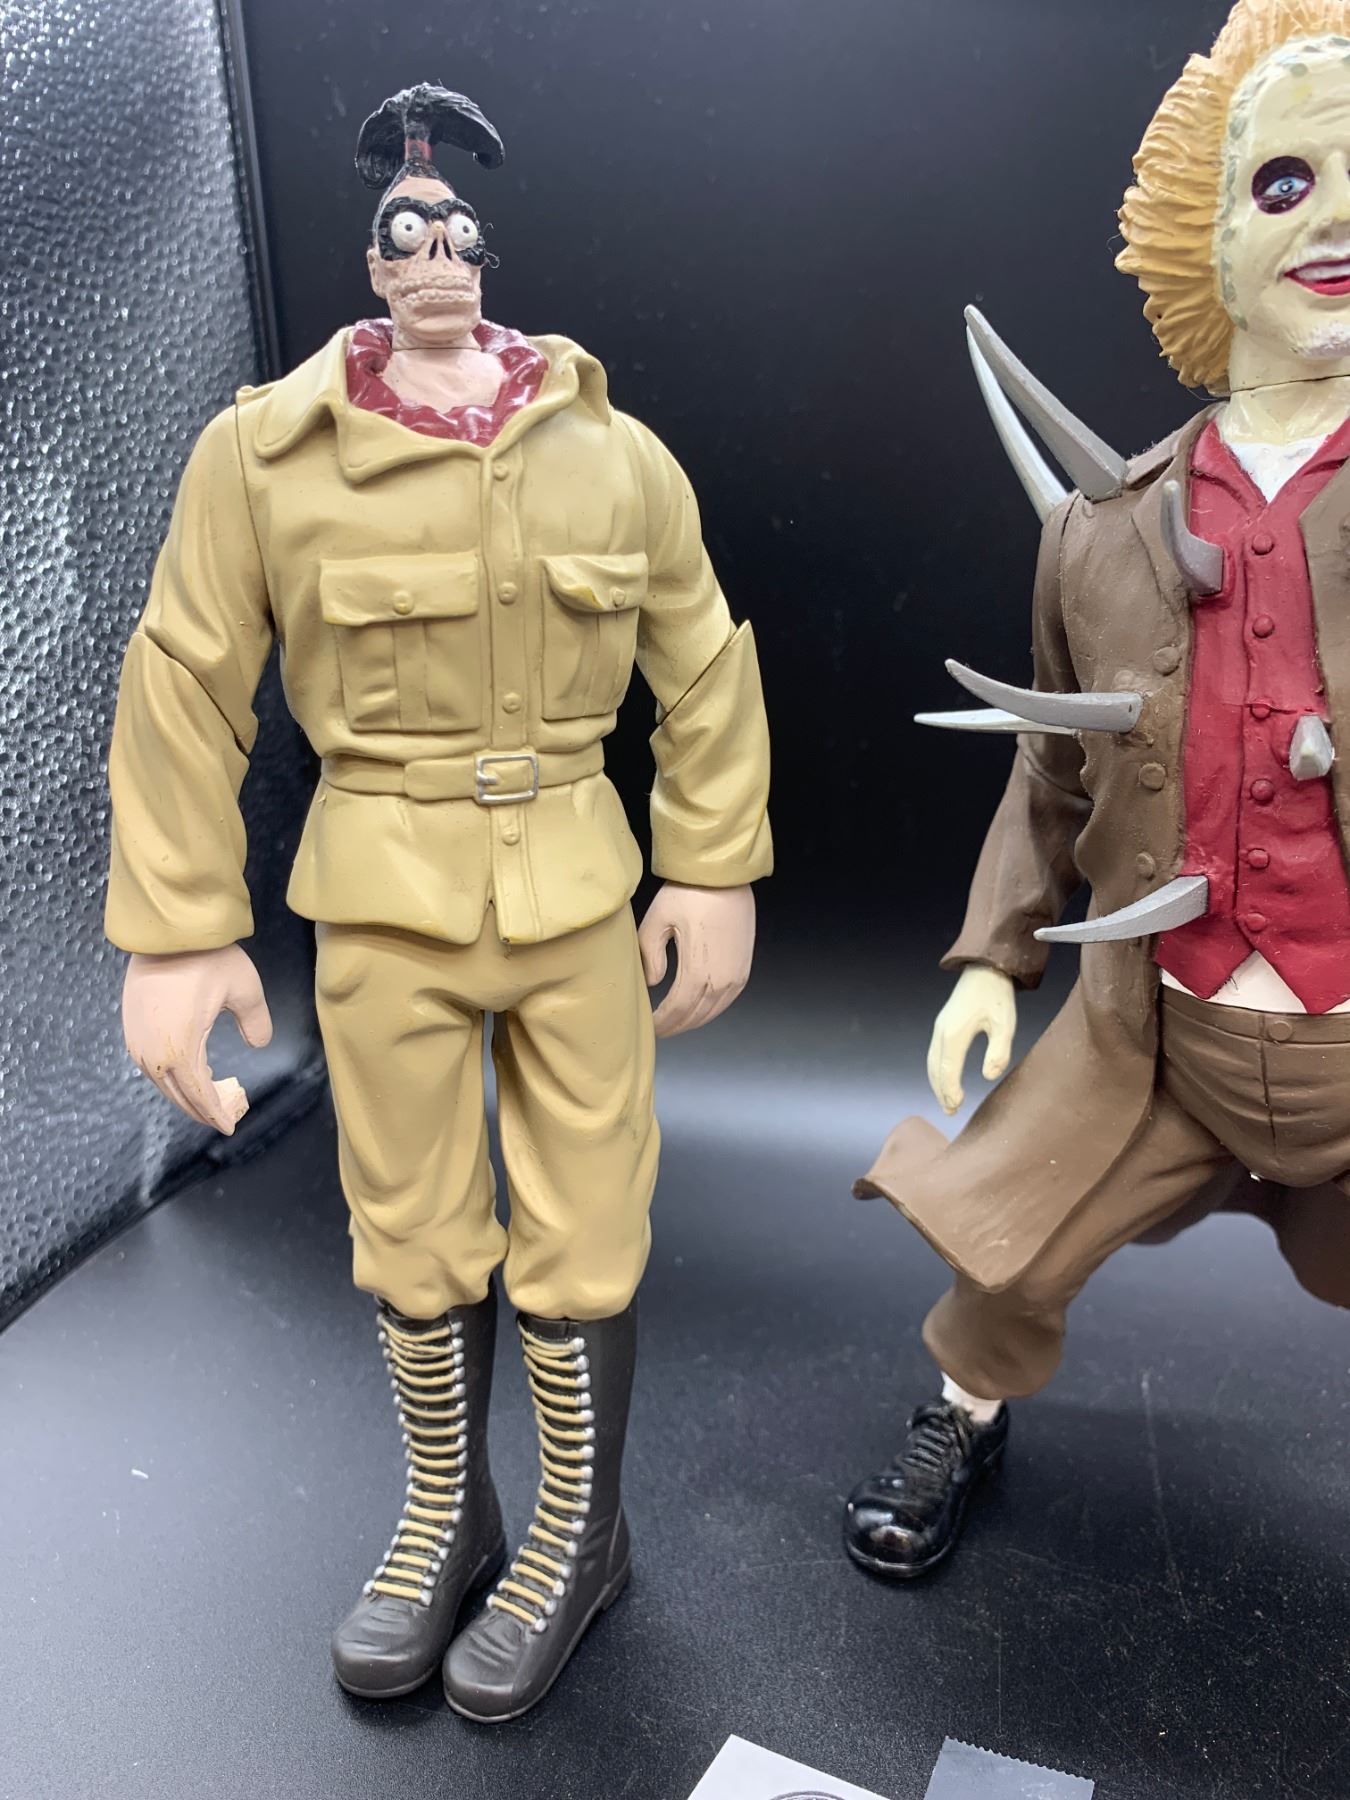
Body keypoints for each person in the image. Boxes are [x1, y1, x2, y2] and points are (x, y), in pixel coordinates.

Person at [105, 83, 771, 1719]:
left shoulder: (610, 453)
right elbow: (186, 680)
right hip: (382, 895)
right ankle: (444, 1510)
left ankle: (577, 1531)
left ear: (485, 252)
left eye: (457, 233)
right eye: (406, 235)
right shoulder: (265, 456)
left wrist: (709, 860)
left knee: (585, 1218)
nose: (436, 259)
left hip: (575, 891)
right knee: (406, 1219)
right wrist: (179, 926)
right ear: (370, 261)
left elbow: (701, 660)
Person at [846, 0, 1350, 1580]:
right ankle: (963, 1417)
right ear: (1210, 237)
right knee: (1010, 1250)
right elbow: (1051, 767)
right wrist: (992, 959)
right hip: (1163, 1036)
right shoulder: (1098, 533)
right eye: (1285, 182)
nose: (1333, 221)